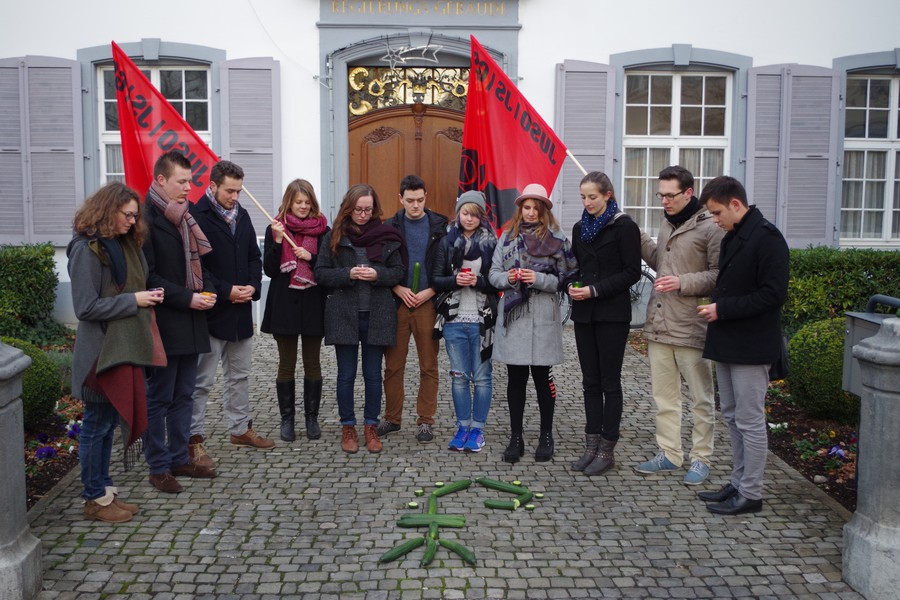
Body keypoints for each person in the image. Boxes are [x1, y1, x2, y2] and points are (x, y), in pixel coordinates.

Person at [68, 182, 165, 522]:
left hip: (120, 348)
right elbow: (85, 307)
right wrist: (134, 301)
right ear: (108, 211)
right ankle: (94, 498)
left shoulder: (121, 245)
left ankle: (105, 491)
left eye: (136, 216)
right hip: (100, 354)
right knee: (96, 426)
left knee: (107, 424)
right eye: (127, 215)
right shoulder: (86, 249)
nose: (132, 221)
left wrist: (144, 296)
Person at [696, 176, 789, 516]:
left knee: (749, 421)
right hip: (727, 341)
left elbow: (773, 294)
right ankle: (737, 482)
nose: (715, 220)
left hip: (751, 345)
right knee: (733, 417)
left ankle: (751, 493)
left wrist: (723, 309)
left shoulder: (768, 239)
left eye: (717, 212)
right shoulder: (734, 235)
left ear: (736, 204)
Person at [633, 166, 725, 485]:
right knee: (664, 397)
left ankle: (701, 458)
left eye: (670, 195)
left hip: (692, 326)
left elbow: (719, 275)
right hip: (660, 322)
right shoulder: (665, 222)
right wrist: (640, 238)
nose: (664, 201)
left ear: (689, 193)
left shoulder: (711, 226)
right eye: (660, 195)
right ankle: (669, 454)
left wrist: (682, 282)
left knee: (701, 397)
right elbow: (662, 262)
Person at [189, 160, 273, 472]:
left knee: (240, 376)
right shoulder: (196, 217)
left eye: (238, 190)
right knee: (202, 382)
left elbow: (254, 255)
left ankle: (240, 429)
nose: (235, 196)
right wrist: (226, 291)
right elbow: (198, 267)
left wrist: (252, 286)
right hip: (213, 312)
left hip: (240, 313)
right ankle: (192, 439)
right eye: (229, 190)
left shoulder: (243, 215)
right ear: (212, 186)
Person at [142, 150, 217, 494]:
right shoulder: (145, 220)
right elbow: (148, 276)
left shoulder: (185, 217)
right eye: (182, 181)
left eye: (190, 181)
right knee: (160, 397)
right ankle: (158, 466)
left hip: (191, 322)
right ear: (161, 180)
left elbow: (202, 268)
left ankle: (178, 456)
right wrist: (187, 297)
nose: (189, 187)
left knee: (184, 394)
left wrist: (210, 292)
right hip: (164, 322)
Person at [488, 183, 579, 463]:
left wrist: (538, 279)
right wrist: (510, 278)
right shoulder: (506, 237)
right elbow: (493, 274)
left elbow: (567, 278)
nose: (530, 212)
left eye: (535, 208)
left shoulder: (558, 240)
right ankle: (515, 437)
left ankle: (546, 435)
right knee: (516, 379)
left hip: (543, 315)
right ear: (520, 209)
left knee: (542, 378)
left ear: (544, 211)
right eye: (526, 207)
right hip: (515, 317)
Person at [315, 184, 405, 453]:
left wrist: (377, 275)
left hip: (377, 314)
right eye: (358, 210)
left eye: (368, 209)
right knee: (346, 375)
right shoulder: (334, 236)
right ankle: (348, 426)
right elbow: (320, 273)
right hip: (344, 314)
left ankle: (371, 426)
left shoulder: (387, 236)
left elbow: (398, 272)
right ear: (348, 208)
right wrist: (348, 274)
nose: (363, 215)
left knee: (372, 375)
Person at [568, 172, 641, 476]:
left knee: (609, 382)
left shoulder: (624, 226)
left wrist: (595, 290)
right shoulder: (578, 228)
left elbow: (632, 272)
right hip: (584, 314)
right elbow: (574, 266)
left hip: (612, 313)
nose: (587, 203)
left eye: (592, 197)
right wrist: (572, 284)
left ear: (608, 195)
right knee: (589, 382)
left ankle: (607, 449)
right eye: (583, 197)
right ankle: (590, 445)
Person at [378, 175, 448, 443]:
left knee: (428, 365)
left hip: (428, 302)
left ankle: (425, 421)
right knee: (393, 366)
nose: (415, 205)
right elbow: (382, 266)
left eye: (420, 200)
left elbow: (446, 266)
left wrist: (431, 290)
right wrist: (397, 288)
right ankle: (392, 418)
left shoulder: (440, 226)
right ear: (400, 199)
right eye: (410, 201)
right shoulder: (390, 226)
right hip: (398, 302)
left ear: (426, 196)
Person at [431, 190, 500, 453]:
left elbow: (497, 281)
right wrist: (455, 281)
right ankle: (462, 427)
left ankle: (478, 430)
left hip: (483, 319)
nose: (469, 218)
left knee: (482, 377)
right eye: (465, 213)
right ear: (458, 213)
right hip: (453, 319)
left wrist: (478, 282)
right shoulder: (446, 241)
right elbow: (436, 278)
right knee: (459, 377)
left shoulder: (492, 242)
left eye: (475, 214)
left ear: (482, 216)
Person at [261, 179, 329, 442]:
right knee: (286, 363)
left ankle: (311, 419)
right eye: (298, 202)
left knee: (312, 362)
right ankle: (287, 419)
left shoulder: (324, 230)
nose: (303, 206)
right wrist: (278, 241)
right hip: (284, 305)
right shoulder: (276, 227)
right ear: (289, 202)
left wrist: (311, 257)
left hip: (313, 304)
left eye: (307, 202)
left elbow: (327, 266)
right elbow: (269, 269)